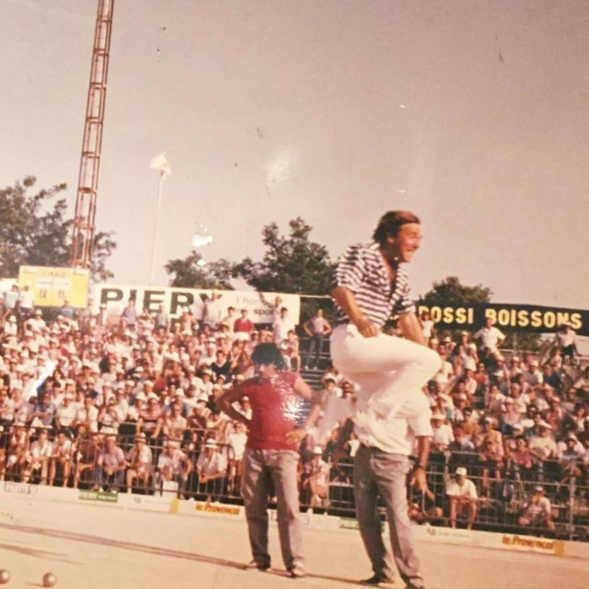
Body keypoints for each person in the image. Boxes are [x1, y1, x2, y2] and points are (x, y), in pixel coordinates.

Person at [217, 342, 322, 579]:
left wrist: (304, 429)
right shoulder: (251, 384)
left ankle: (295, 561)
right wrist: (244, 421)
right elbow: (222, 402)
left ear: (274, 364)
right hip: (255, 450)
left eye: (263, 364)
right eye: (256, 364)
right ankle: (260, 557)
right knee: (254, 507)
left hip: (285, 451)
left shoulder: (290, 379)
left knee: (289, 509)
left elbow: (316, 400)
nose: (259, 368)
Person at [330, 210, 441, 431]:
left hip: (367, 351)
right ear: (390, 237)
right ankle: (374, 412)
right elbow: (340, 289)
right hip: (352, 338)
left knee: (418, 405)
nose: (417, 244)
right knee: (431, 360)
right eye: (412, 236)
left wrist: (423, 371)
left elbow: (407, 318)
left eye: (420, 238)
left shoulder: (401, 274)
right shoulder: (362, 252)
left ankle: (356, 416)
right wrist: (361, 320)